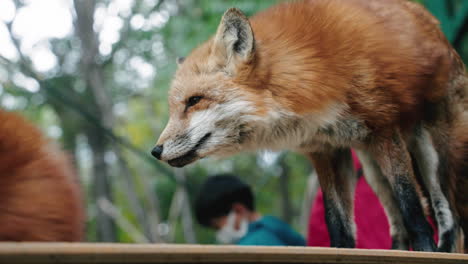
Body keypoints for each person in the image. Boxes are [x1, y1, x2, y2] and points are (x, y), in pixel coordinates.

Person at [195, 174, 306, 246]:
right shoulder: (272, 225)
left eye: (218, 226)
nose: (220, 233)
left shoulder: (255, 242)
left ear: (238, 210)